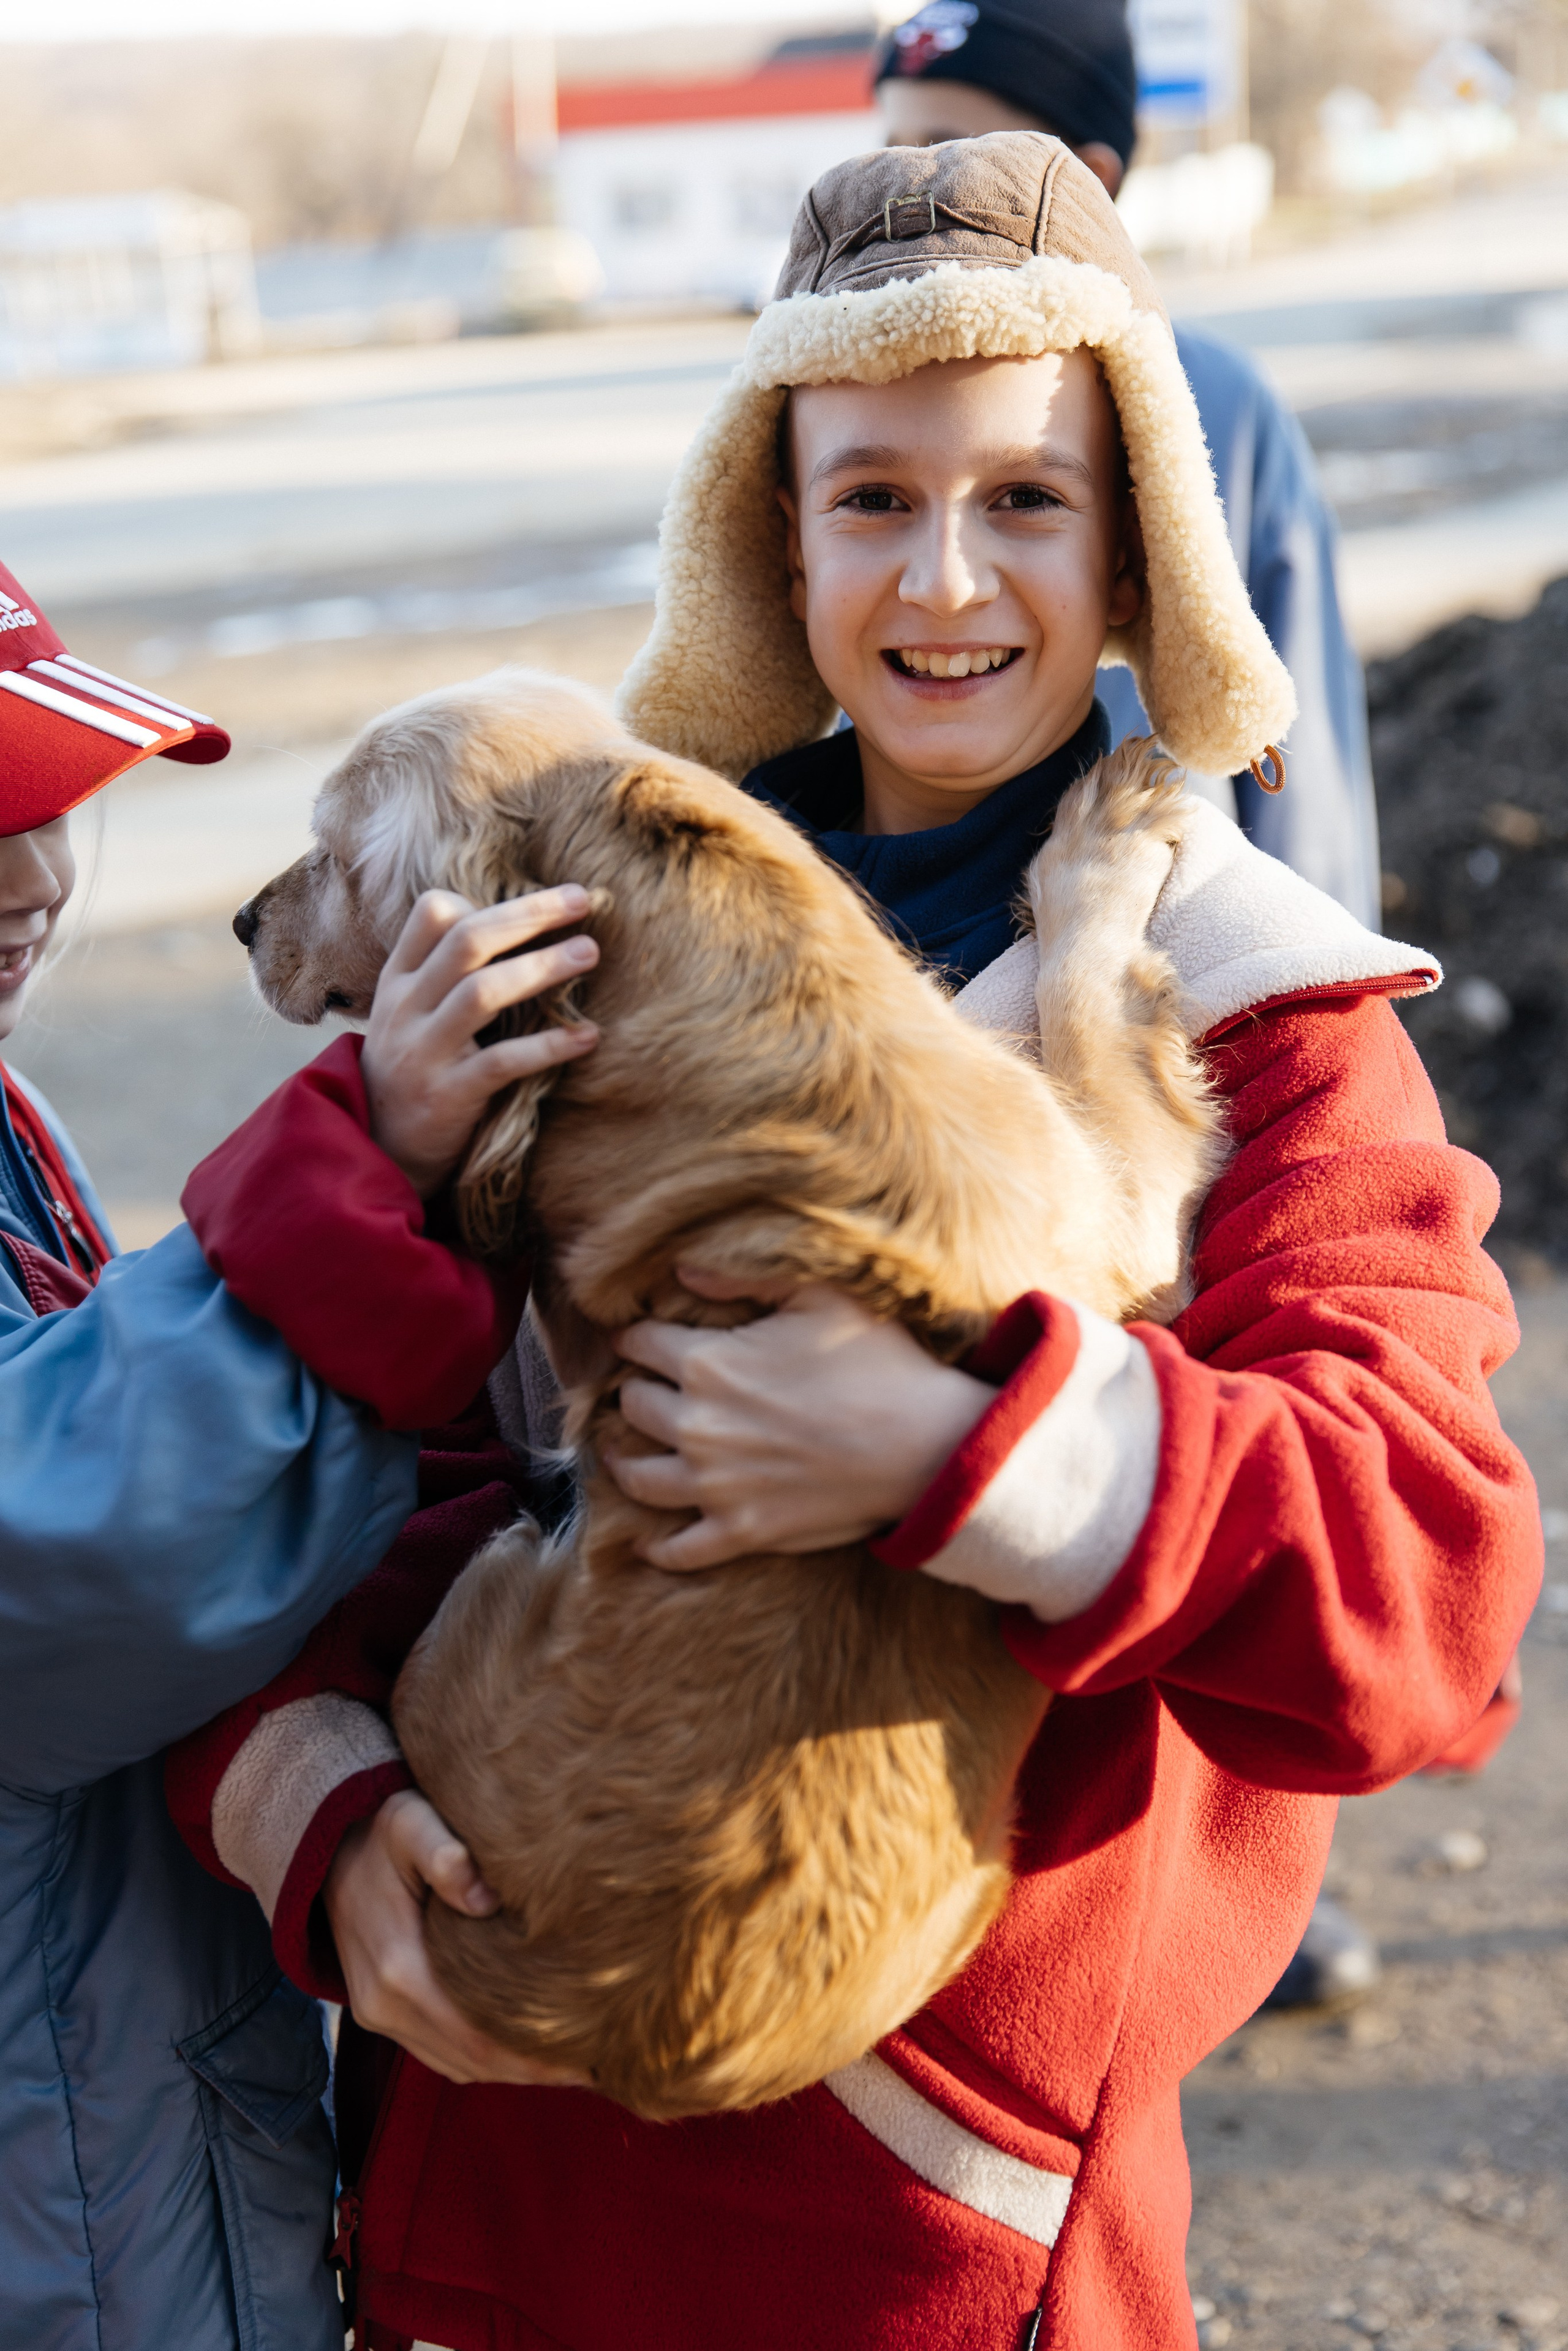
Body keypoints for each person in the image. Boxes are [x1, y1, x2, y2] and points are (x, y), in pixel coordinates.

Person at [170, 137, 1539, 2349]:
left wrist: (977, 1447)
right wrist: (301, 1781)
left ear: (1137, 553)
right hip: (489, 2196)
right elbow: (269, 1468)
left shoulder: (1258, 1014)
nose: (945, 581)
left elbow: (1429, 1598)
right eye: (871, 497)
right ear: (769, 538)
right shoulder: (565, 959)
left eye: (1025, 498)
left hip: (926, 2231)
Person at [0, 560, 601, 2351]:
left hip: (116, 2095)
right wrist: (361, 1159)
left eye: (46, 813)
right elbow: (59, 1563)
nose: (34, 880)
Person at [875, 0, 1383, 931]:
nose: (901, 194)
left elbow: (1302, 762)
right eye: (890, 152)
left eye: (947, 153)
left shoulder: (1214, 402)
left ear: (1090, 178)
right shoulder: (856, 392)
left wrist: (1324, 976)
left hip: (1169, 974)